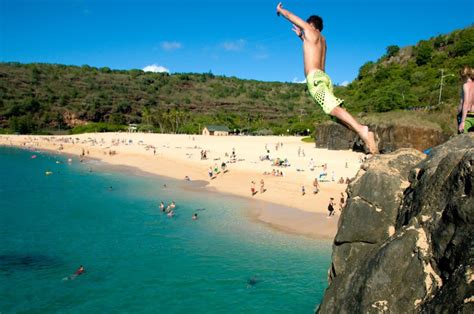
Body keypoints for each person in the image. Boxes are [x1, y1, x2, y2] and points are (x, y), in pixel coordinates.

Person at [276, 2, 378, 154]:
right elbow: (312, 50)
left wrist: (280, 10)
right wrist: (301, 37)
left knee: (332, 108)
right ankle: (363, 134)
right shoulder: (323, 41)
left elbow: (291, 17)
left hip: (315, 79)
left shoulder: (310, 30)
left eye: (306, 25)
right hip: (324, 78)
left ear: (311, 24)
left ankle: (363, 131)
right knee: (336, 115)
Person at [458, 65, 474, 133]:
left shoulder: (466, 85)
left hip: (468, 116)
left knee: (462, 137)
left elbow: (465, 103)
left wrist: (462, 121)